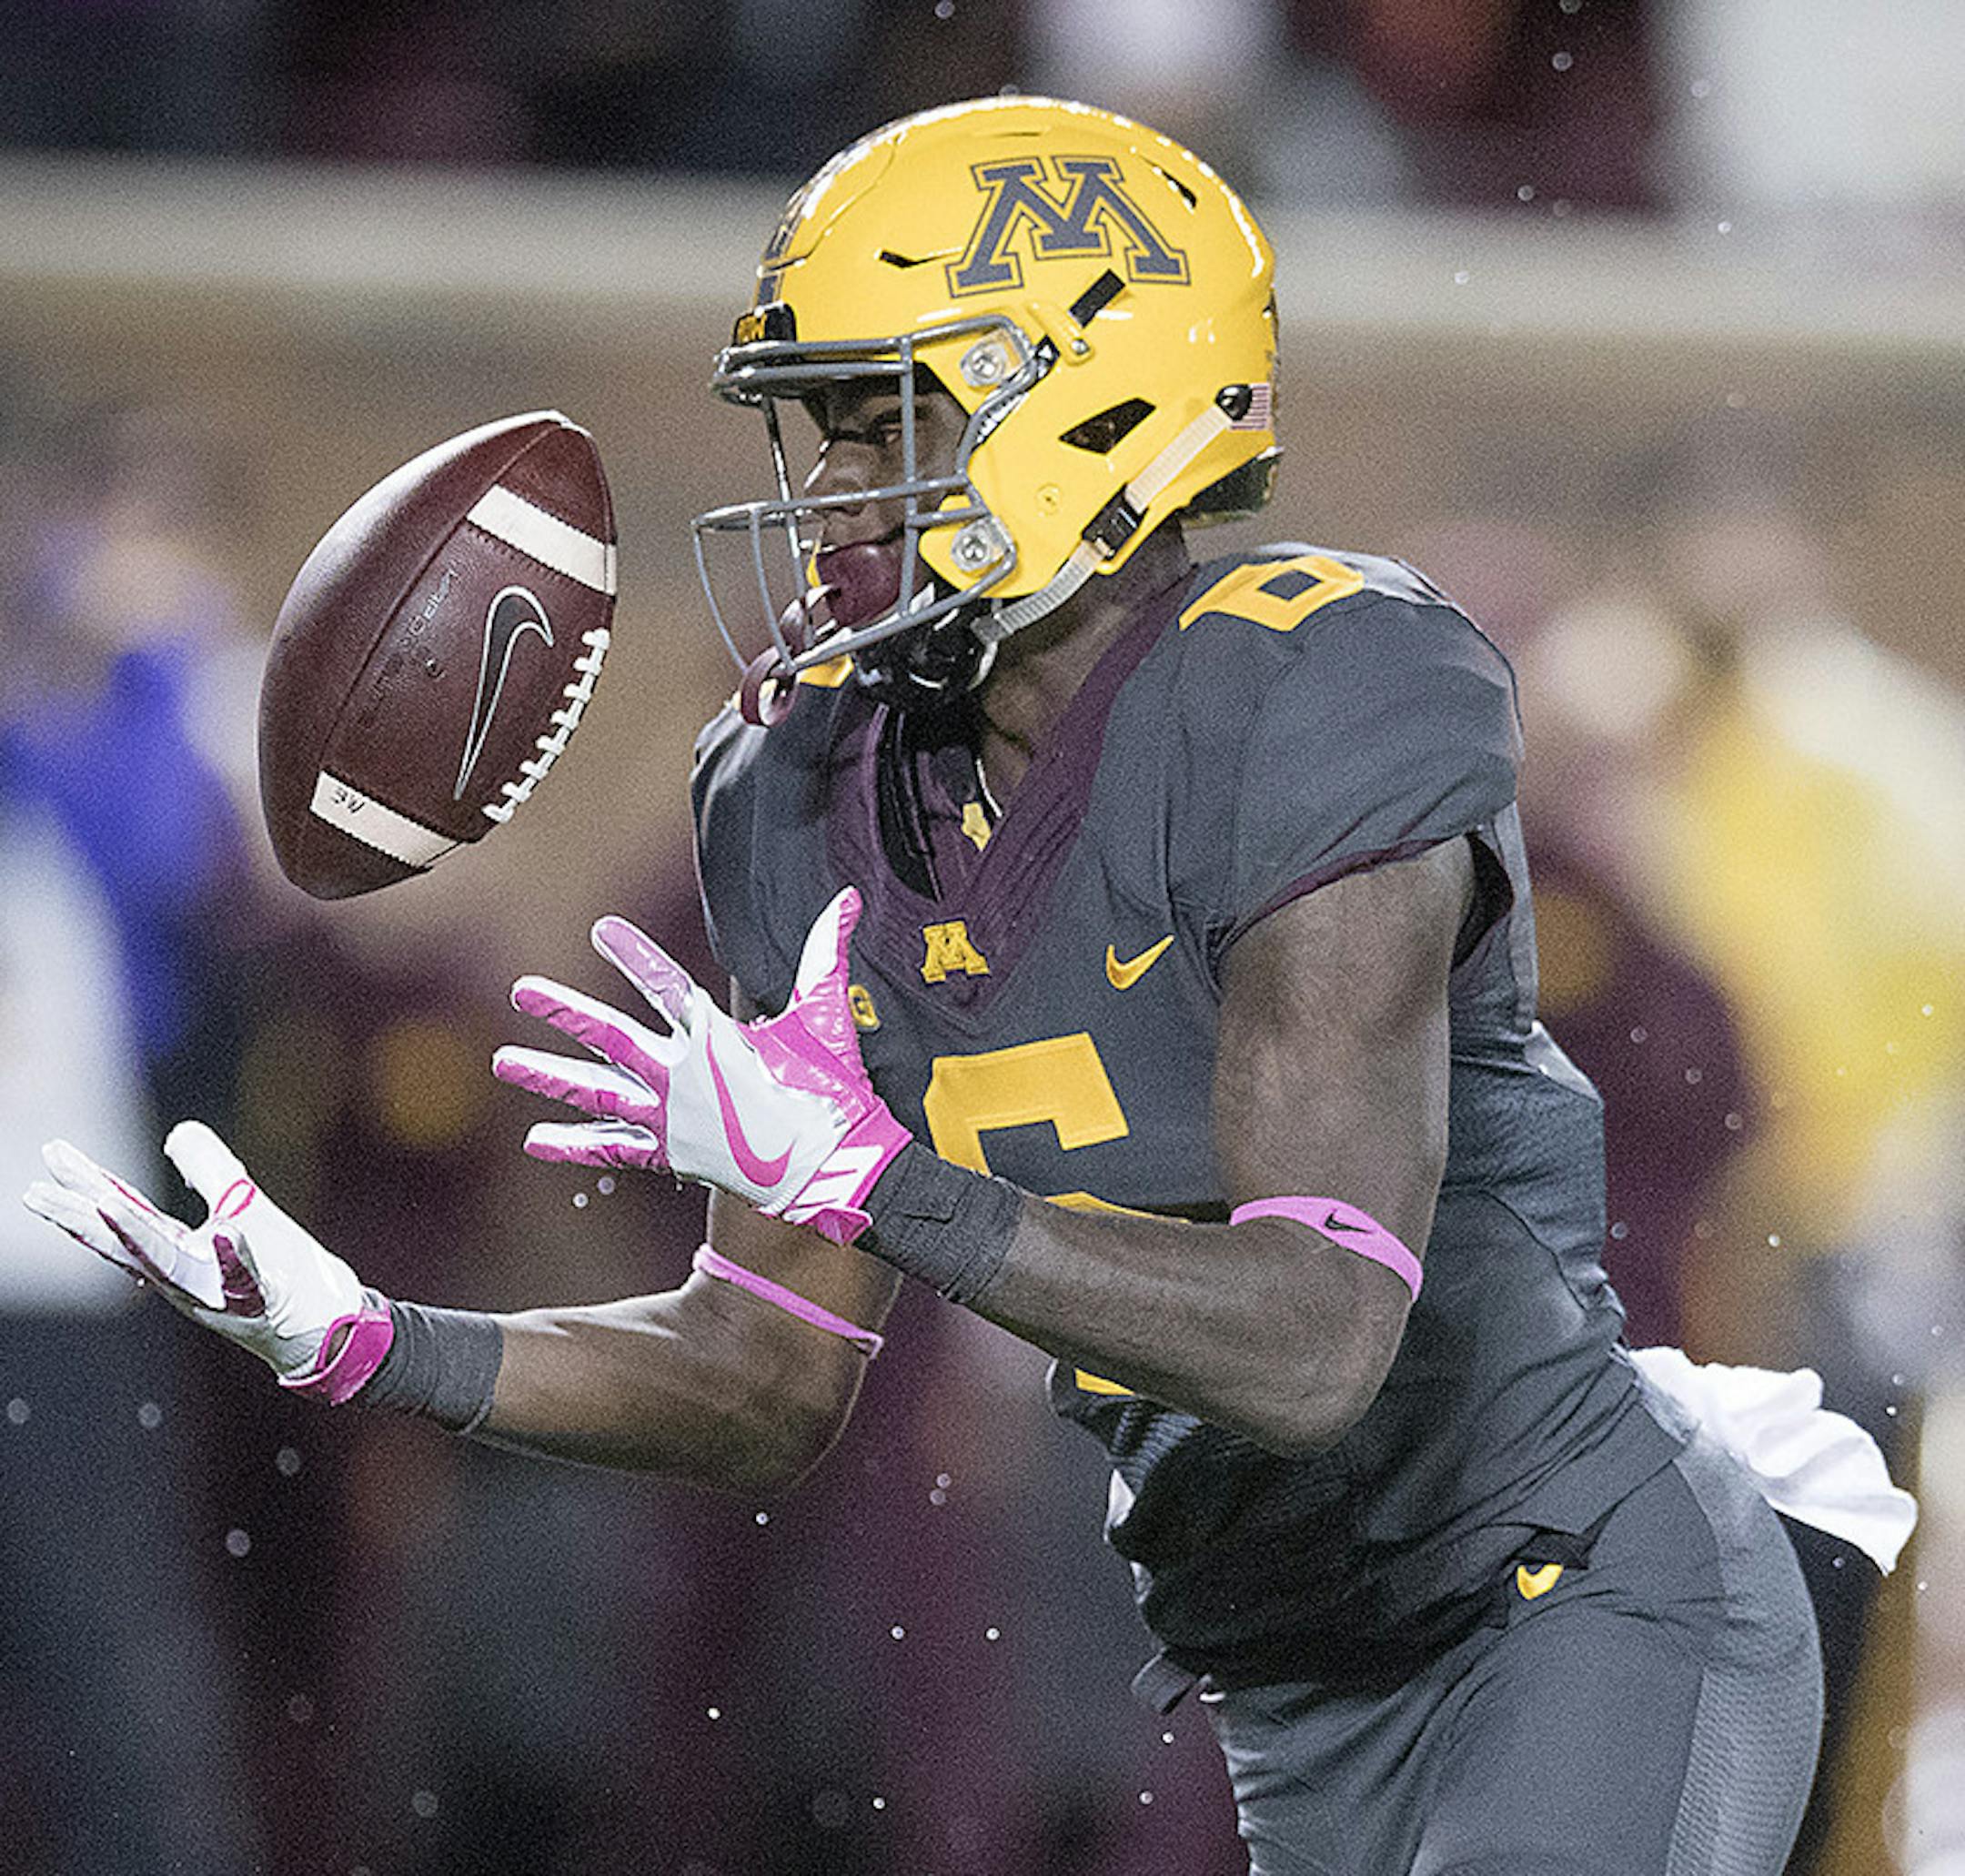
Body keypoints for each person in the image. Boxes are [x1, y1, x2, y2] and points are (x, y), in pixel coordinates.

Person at [23, 97, 1911, 1875]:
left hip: (1564, 1581)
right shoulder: (797, 791)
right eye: (818, 429)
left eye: (883, 421)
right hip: (1284, 1637)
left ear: (1090, 407)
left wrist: (883, 1181)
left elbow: (1318, 1333)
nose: (830, 490)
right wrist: (376, 1336)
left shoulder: (1326, 687)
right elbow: (764, 1373)